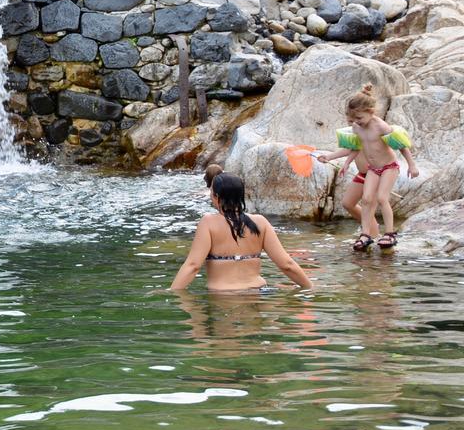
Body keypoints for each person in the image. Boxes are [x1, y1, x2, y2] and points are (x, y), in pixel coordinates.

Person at [317, 84, 419, 251]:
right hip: (373, 169)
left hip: (388, 166)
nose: (356, 122)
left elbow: (401, 145)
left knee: (381, 198)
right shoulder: (358, 128)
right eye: (353, 119)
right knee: (366, 199)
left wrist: (412, 165)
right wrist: (332, 157)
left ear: (371, 112)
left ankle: (390, 233)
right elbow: (354, 148)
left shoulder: (380, 126)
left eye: (359, 118)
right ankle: (366, 234)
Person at [170, 173, 312, 291]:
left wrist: (172, 292)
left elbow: (193, 265)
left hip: (223, 298)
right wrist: (310, 288)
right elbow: (287, 264)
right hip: (259, 293)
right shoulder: (260, 222)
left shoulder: (208, 223)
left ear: (217, 197)